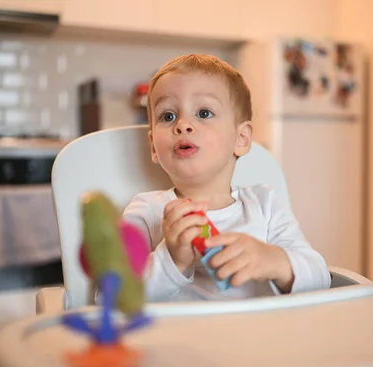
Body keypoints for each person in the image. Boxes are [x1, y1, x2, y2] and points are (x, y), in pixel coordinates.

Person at [122, 54, 331, 301]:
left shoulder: (264, 204)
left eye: (204, 113)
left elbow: (320, 277)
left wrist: (272, 260)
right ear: (154, 147)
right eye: (168, 116)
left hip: (263, 336)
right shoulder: (146, 212)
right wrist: (172, 259)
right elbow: (111, 297)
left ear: (240, 139)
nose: (183, 124)